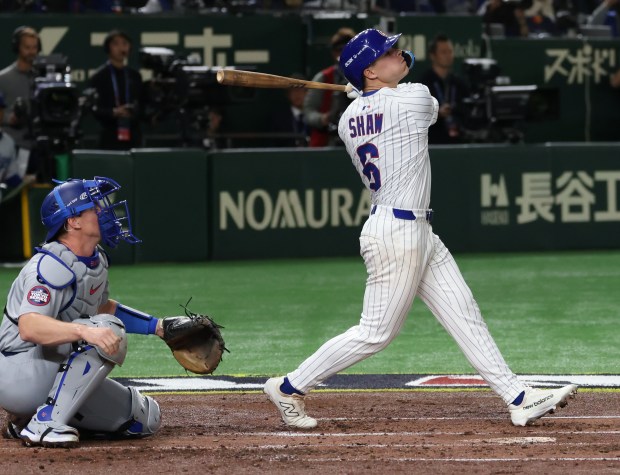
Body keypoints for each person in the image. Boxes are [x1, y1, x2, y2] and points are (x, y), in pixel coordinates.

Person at [264, 28, 577, 429]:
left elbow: (377, 104)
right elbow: (421, 96)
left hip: (415, 230)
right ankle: (289, 387)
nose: (398, 53)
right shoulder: (411, 99)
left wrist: (365, 91)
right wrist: (372, 88)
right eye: (386, 52)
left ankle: (518, 397)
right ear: (370, 72)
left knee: (464, 312)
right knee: (375, 333)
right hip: (396, 235)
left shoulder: (346, 120)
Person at [0, 176, 163, 447]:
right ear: (72, 221)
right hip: (18, 371)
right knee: (107, 330)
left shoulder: (94, 260)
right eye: (94, 207)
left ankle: (26, 420)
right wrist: (85, 331)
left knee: (142, 417)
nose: (103, 211)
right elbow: (29, 327)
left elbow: (101, 308)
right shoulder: (49, 265)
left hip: (48, 368)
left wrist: (158, 327)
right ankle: (44, 423)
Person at [89, 30, 145, 150]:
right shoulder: (99, 76)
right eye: (116, 44)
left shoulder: (135, 76)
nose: (121, 47)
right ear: (108, 48)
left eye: (125, 43)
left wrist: (133, 110)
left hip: (133, 133)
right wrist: (113, 112)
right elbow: (94, 108)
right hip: (109, 133)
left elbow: (142, 103)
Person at [304, 27, 356, 147]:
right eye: (340, 50)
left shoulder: (368, 77)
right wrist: (324, 118)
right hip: (328, 141)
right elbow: (308, 111)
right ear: (334, 53)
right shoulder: (323, 78)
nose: (344, 54)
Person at [0, 26, 40, 180]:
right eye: (27, 47)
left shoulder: (41, 79)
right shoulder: (3, 78)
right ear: (17, 47)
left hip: (37, 147)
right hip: (12, 146)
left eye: (34, 47)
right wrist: (9, 118)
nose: (31, 52)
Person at [418, 33, 470, 144]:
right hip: (432, 143)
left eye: (450, 52)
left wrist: (454, 109)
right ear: (433, 56)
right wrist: (437, 112)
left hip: (458, 142)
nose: (448, 55)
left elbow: (467, 109)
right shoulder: (423, 84)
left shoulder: (459, 83)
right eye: (443, 52)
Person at [269, 73, 308, 147]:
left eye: (300, 90)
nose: (297, 94)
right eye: (293, 90)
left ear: (307, 92)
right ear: (288, 94)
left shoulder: (314, 115)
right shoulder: (278, 118)